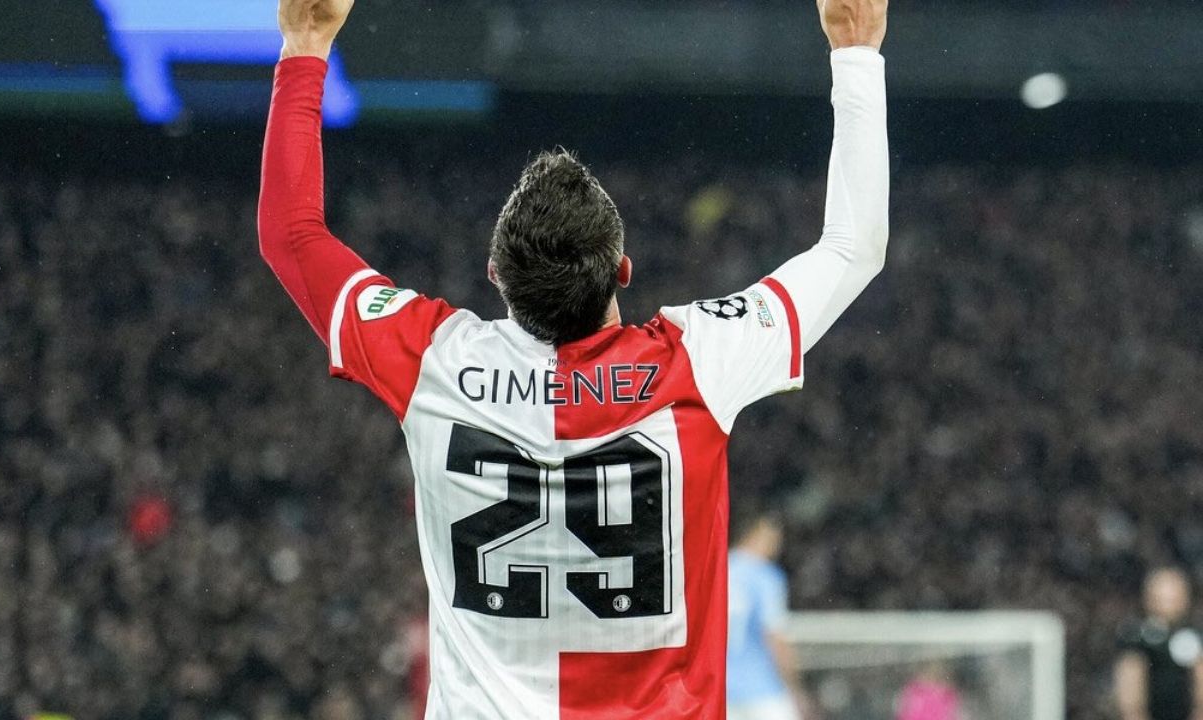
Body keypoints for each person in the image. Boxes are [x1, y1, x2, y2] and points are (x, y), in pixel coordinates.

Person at [257, 0, 889, 715]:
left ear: (494, 275)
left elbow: (291, 235)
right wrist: (856, 49)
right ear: (623, 270)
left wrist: (304, 43)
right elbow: (851, 247)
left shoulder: (431, 359)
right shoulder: (699, 360)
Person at [727, 512, 809, 720]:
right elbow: (774, 635)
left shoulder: (718, 568)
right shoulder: (765, 576)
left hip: (721, 687)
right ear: (759, 534)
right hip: (761, 688)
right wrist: (795, 688)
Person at [1115, 568, 1203, 720]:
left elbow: (1200, 677)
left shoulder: (1194, 634)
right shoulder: (1136, 635)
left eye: (1173, 597)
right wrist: (1133, 712)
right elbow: (1130, 680)